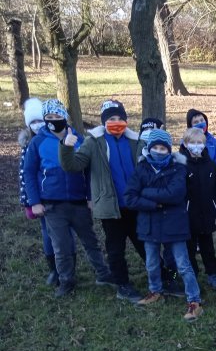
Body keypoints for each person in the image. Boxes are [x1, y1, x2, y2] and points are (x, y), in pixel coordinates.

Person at [59, 99, 148, 303]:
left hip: (136, 205)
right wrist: (65, 146)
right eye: (111, 119)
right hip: (110, 207)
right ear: (104, 122)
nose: (116, 122)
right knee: (116, 249)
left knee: (146, 244)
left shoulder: (136, 141)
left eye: (120, 118)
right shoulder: (93, 142)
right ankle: (122, 285)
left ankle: (165, 277)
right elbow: (72, 165)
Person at [23, 99, 114, 297]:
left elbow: (89, 170)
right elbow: (28, 173)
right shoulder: (38, 142)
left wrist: (91, 196)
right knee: (61, 245)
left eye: (57, 116)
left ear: (64, 116)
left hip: (78, 201)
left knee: (90, 240)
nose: (53, 120)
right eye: (49, 117)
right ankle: (66, 280)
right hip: (52, 204)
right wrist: (35, 202)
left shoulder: (79, 139)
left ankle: (103, 273)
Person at [124, 129, 204, 321]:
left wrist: (146, 192)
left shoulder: (179, 168)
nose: (159, 151)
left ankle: (194, 300)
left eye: (163, 148)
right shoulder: (141, 169)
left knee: (183, 264)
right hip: (149, 225)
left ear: (169, 150)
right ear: (149, 148)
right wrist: (154, 203)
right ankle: (155, 290)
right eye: (155, 148)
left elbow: (175, 194)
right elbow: (130, 198)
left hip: (174, 225)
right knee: (151, 263)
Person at [18, 97, 76, 286]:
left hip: (65, 195)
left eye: (39, 121)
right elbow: (24, 174)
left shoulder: (60, 137)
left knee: (67, 233)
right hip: (42, 198)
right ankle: (54, 269)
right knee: (47, 233)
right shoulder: (29, 145)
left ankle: (70, 267)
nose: (37, 125)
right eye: (32, 122)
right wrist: (30, 201)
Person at [180, 127, 216, 291]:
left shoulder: (211, 166)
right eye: (192, 143)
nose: (196, 146)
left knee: (208, 246)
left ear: (205, 145)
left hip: (207, 213)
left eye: (200, 143)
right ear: (186, 144)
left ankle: (212, 273)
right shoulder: (181, 165)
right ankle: (193, 274)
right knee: (190, 247)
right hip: (189, 215)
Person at [186, 108, 216, 172]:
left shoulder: (212, 141)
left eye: (202, 120)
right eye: (196, 122)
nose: (200, 124)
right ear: (190, 126)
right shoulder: (186, 143)